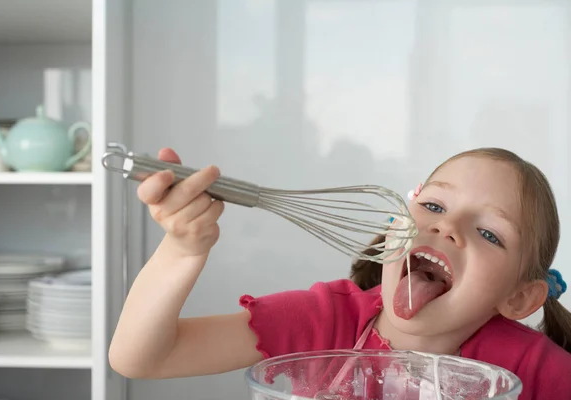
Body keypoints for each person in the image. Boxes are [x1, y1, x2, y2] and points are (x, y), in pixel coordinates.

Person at [108, 147, 571, 399]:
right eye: (432, 205)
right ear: (395, 227)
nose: (445, 226)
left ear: (519, 298)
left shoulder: (528, 369)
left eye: (489, 233)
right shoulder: (324, 321)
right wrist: (183, 250)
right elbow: (143, 358)